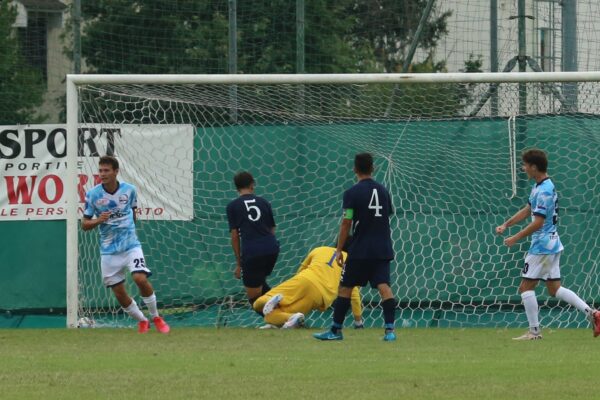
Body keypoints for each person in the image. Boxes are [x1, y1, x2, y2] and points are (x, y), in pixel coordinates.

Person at [496, 148, 600, 340]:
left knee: (526, 288)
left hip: (542, 246)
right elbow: (528, 210)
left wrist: (515, 238)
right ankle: (593, 314)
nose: (523, 168)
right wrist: (506, 224)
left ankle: (534, 332)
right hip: (552, 244)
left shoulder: (543, 191)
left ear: (534, 167)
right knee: (555, 289)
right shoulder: (541, 186)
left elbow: (538, 222)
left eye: (526, 165)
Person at [82, 155, 170, 334]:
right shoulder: (93, 195)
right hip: (108, 251)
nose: (103, 174)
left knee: (140, 278)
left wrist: (129, 232)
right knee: (119, 293)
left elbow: (133, 213)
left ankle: (156, 317)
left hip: (131, 246)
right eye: (100, 171)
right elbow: (84, 224)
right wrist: (99, 220)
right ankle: (142, 320)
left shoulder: (130, 190)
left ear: (116, 171)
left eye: (106, 170)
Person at [314, 153, 397, 341]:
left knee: (345, 287)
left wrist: (339, 249)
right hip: (382, 248)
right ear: (373, 169)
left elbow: (346, 222)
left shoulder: (352, 193)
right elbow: (386, 215)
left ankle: (335, 331)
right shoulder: (383, 191)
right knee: (384, 287)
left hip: (360, 249)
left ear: (355, 170)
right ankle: (390, 331)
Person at [253, 241, 363, 329]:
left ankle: (272, 300)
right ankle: (292, 317)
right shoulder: (350, 262)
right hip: (320, 296)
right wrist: (358, 322)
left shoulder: (320, 249)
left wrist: (296, 288)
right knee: (270, 317)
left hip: (305, 279)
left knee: (257, 304)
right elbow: (354, 295)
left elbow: (302, 268)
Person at [226, 171, 280, 314]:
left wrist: (239, 264)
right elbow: (272, 229)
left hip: (252, 252)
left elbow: (235, 236)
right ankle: (281, 308)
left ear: (236, 187)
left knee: (254, 300)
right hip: (272, 248)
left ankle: (284, 319)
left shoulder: (233, 206)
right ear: (252, 185)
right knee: (259, 284)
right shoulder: (264, 202)